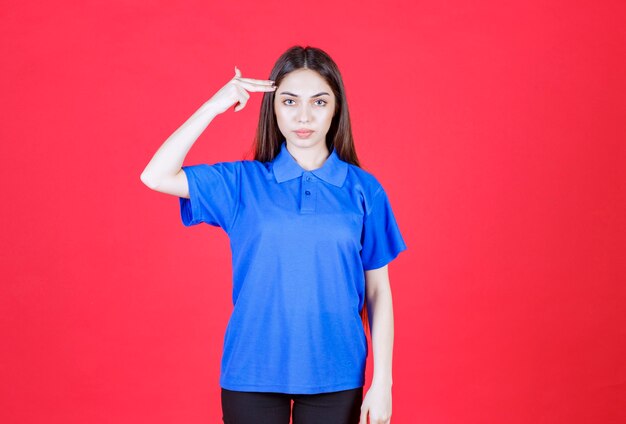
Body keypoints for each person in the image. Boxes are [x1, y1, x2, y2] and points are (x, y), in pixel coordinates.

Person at [140, 45, 407, 424]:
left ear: (336, 109)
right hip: (252, 370)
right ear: (273, 107)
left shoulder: (364, 189)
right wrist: (214, 106)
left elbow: (379, 291)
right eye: (289, 101)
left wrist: (384, 383)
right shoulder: (242, 182)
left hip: (337, 372)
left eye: (318, 102)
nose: (303, 116)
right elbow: (155, 176)